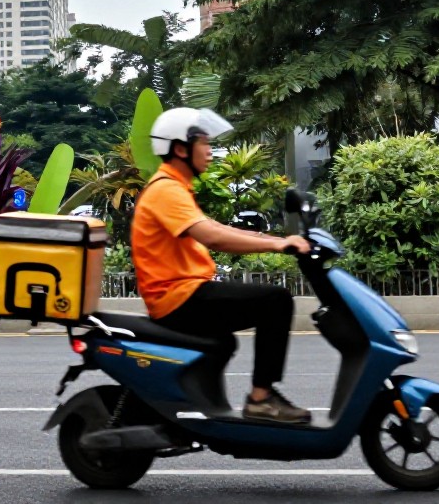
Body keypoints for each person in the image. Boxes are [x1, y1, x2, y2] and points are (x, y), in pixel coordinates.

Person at [131, 107, 314, 423]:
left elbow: (215, 227)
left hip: (186, 294)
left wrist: (271, 237)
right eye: (204, 142)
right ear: (180, 148)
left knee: (230, 336)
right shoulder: (165, 190)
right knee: (275, 301)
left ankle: (210, 403)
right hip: (178, 298)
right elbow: (212, 236)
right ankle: (261, 399)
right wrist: (278, 244)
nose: (210, 151)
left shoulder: (176, 188)